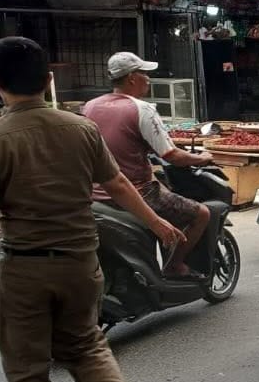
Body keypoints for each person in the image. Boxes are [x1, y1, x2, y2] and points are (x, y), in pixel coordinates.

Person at [0, 38, 184, 382]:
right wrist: (158, 222)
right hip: (82, 262)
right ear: (48, 80)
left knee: (26, 368)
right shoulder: (80, 129)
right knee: (85, 347)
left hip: (26, 268)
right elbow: (119, 184)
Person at [83, 52, 214, 280]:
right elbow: (171, 154)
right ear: (132, 78)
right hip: (136, 192)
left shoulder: (90, 106)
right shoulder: (142, 109)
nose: (148, 79)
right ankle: (174, 265)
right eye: (144, 73)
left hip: (93, 193)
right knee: (201, 213)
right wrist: (202, 157)